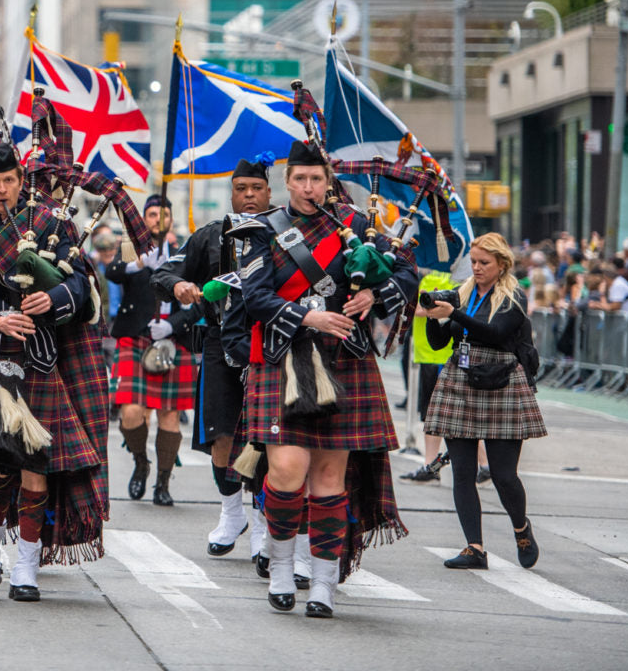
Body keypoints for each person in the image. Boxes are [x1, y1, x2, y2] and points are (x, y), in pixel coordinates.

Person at [225, 139, 418, 619]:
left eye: (317, 179)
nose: (309, 187)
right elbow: (255, 297)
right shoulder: (261, 230)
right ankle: (282, 568)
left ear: (328, 182)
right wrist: (310, 319)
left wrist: (374, 297)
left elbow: (408, 273)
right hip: (285, 357)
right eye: (301, 179)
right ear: (287, 182)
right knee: (287, 472)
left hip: (345, 360)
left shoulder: (357, 226)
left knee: (330, 478)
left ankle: (324, 583)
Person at [0, 134, 106, 602]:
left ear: (20, 179)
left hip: (36, 358)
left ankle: (26, 566)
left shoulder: (53, 227)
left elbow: (81, 287)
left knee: (35, 465)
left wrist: (53, 297)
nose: (3, 188)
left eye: (10, 179)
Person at [149, 155, 273, 555]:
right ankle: (230, 511)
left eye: (256, 188)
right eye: (242, 189)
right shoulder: (211, 236)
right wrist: (180, 286)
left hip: (273, 344)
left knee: (266, 438)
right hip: (221, 344)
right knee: (222, 433)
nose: (249, 196)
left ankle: (262, 524)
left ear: (269, 192)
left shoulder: (283, 233)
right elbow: (164, 272)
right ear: (232, 193)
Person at [422, 232, 546, 571]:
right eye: (473, 262)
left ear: (502, 264)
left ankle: (521, 528)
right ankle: (474, 547)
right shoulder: (462, 294)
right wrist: (436, 315)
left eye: (483, 263)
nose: (476, 268)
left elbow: (494, 332)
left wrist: (455, 314)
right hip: (461, 380)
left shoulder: (513, 296)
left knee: (504, 475)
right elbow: (438, 344)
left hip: (502, 383)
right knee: (462, 471)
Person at [106, 194, 195, 507]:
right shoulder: (131, 246)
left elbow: (200, 299)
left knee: (169, 416)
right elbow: (112, 272)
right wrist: (139, 263)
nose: (158, 219)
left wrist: (174, 325)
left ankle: (163, 482)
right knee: (130, 411)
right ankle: (141, 462)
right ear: (143, 218)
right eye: (153, 214)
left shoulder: (186, 249)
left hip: (173, 339)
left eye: (164, 214)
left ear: (171, 218)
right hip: (135, 337)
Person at [400, 268, 459, 483]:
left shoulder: (443, 277)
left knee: (444, 416)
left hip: (439, 357)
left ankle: (484, 465)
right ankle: (430, 465)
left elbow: (421, 309)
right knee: (433, 415)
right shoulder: (431, 276)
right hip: (429, 355)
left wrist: (410, 303)